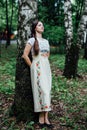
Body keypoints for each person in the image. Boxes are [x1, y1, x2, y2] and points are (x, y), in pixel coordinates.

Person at [22, 20, 54, 129]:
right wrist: (32, 66)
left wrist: (44, 62)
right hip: (37, 68)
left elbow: (47, 55)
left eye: (42, 25)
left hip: (46, 67)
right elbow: (25, 55)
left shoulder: (46, 41)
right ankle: (41, 116)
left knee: (47, 90)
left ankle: (46, 117)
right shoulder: (32, 40)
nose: (42, 26)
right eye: (40, 25)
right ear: (35, 28)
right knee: (41, 90)